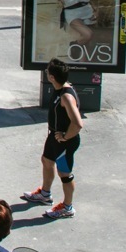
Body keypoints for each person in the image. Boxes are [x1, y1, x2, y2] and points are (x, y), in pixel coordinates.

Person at [22, 58, 84, 220]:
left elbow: (78, 124)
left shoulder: (66, 97)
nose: (46, 73)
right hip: (54, 136)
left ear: (52, 78)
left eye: (48, 72)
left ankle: (67, 207)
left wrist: (65, 137)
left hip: (65, 140)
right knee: (47, 161)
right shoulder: (60, 86)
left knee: (65, 173)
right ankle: (45, 194)